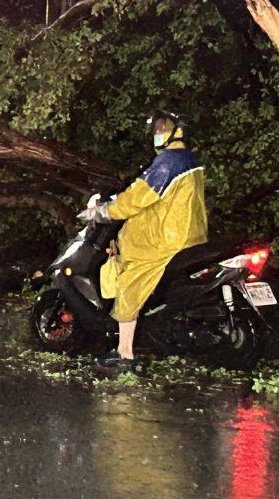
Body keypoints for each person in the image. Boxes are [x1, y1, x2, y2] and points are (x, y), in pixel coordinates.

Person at [78, 108, 208, 370]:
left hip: (160, 243)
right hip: (189, 236)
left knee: (129, 287)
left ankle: (124, 353)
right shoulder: (189, 160)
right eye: (157, 128)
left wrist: (104, 211)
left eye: (163, 128)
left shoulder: (168, 162)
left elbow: (137, 198)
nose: (157, 133)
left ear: (177, 131)